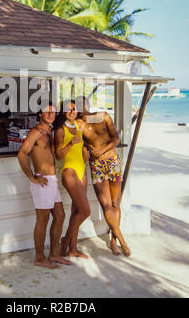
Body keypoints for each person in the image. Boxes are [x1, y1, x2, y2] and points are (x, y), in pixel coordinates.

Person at [18, 102, 72, 268]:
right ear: (39, 114)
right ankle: (39, 258)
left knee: (60, 216)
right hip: (42, 181)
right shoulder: (35, 132)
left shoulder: (49, 131)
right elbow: (22, 154)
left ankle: (54, 254)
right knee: (43, 219)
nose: (50, 114)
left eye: (53, 112)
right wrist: (32, 177)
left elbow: (55, 155)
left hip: (52, 181)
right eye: (46, 112)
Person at [76, 96, 131, 257]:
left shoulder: (104, 116)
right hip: (97, 166)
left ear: (87, 104)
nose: (81, 107)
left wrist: (102, 150)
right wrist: (87, 147)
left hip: (113, 162)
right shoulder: (79, 124)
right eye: (78, 105)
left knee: (115, 204)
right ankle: (122, 241)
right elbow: (78, 142)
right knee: (106, 206)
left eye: (82, 104)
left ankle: (113, 241)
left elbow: (116, 138)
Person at [54, 100, 91, 259]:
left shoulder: (79, 125)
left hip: (82, 169)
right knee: (86, 211)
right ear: (64, 112)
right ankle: (65, 240)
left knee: (76, 211)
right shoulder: (60, 131)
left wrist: (85, 154)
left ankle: (72, 249)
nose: (72, 111)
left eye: (75, 109)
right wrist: (70, 143)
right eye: (69, 109)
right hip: (69, 171)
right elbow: (58, 154)